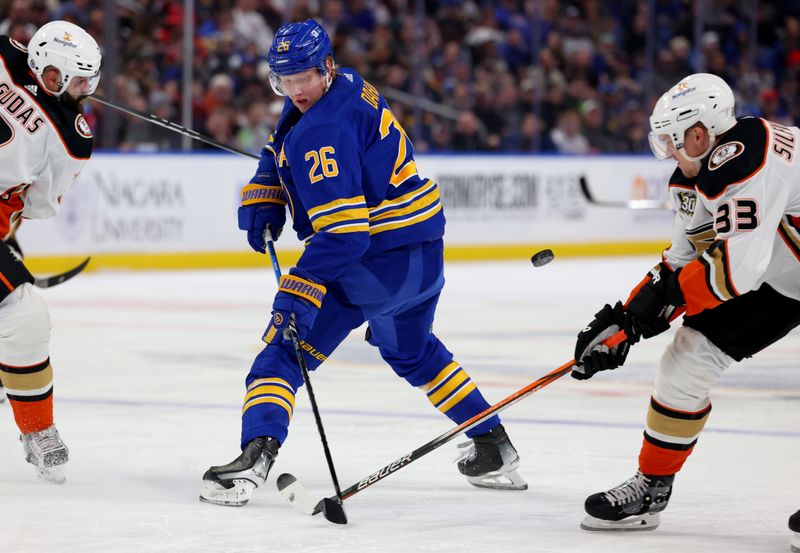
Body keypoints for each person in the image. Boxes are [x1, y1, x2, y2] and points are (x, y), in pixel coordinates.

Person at [200, 19, 526, 506]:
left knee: (283, 354)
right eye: (283, 81)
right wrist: (269, 181)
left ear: (325, 67)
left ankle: (253, 462)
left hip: (373, 265)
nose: (295, 90)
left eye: (304, 78)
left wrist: (299, 288)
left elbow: (345, 235)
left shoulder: (321, 133)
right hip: (422, 256)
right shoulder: (350, 85)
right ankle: (493, 443)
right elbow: (285, 138)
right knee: (413, 352)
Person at [571, 73, 800, 550]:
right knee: (687, 359)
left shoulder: (748, 159)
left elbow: (735, 271)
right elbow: (681, 260)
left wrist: (659, 305)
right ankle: (652, 487)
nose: (670, 155)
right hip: (785, 277)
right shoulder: (704, 171)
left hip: (768, 270)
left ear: (698, 133)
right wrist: (625, 321)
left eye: (671, 143)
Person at [0, 20, 101, 483]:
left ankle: (37, 430)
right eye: (78, 79)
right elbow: (38, 204)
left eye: (89, 79)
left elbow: (38, 205)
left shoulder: (70, 135)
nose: (85, 89)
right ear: (48, 68)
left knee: (24, 317)